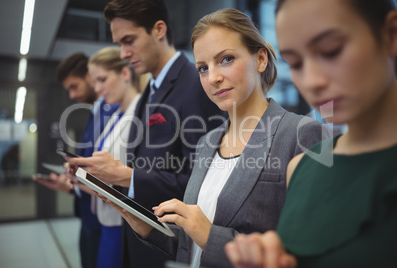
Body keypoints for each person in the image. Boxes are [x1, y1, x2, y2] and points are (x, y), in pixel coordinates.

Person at [100, 8, 327, 268]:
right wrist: (146, 226)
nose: (213, 78)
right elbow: (189, 245)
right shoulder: (208, 143)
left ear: (261, 59)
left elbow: (308, 251)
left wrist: (210, 236)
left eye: (227, 59)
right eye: (203, 68)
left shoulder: (300, 133)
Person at [225, 0, 397, 267]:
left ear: (391, 34)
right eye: (295, 63)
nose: (312, 81)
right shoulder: (302, 169)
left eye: (331, 51)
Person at [66, 0, 225, 267]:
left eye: (129, 40)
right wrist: (104, 179)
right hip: (141, 236)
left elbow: (203, 182)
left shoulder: (194, 85)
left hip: (169, 245)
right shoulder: (150, 91)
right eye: (119, 44)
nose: (124, 53)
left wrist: (126, 175)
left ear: (159, 30)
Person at [33, 52, 118, 268]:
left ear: (90, 76)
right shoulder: (96, 113)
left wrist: (77, 183)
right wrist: (72, 185)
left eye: (74, 86)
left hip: (104, 220)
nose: (71, 95)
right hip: (89, 214)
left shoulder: (112, 114)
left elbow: (108, 175)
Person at [86, 46, 141, 268]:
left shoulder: (139, 114)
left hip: (124, 223)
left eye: (102, 79)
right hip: (108, 220)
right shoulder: (117, 114)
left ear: (125, 74)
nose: (98, 89)